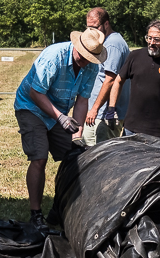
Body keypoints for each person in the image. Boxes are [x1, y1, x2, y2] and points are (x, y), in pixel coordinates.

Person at [13, 27, 107, 229]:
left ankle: (60, 209)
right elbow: (36, 93)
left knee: (74, 156)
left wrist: (78, 135)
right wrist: (61, 118)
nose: (85, 61)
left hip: (59, 110)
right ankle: (36, 215)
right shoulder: (54, 56)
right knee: (39, 157)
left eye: (90, 58)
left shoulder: (91, 66)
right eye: (83, 56)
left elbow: (82, 101)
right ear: (76, 46)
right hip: (31, 106)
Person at [107, 19, 160, 138]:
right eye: (149, 38)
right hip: (131, 129)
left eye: (157, 39)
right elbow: (118, 80)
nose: (151, 42)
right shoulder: (135, 56)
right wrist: (111, 108)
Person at [81, 7, 130, 146]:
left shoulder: (113, 44)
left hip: (105, 114)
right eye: (88, 28)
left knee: (100, 153)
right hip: (97, 112)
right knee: (89, 149)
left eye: (95, 27)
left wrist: (95, 109)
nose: (92, 32)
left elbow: (110, 80)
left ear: (106, 24)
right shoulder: (103, 42)